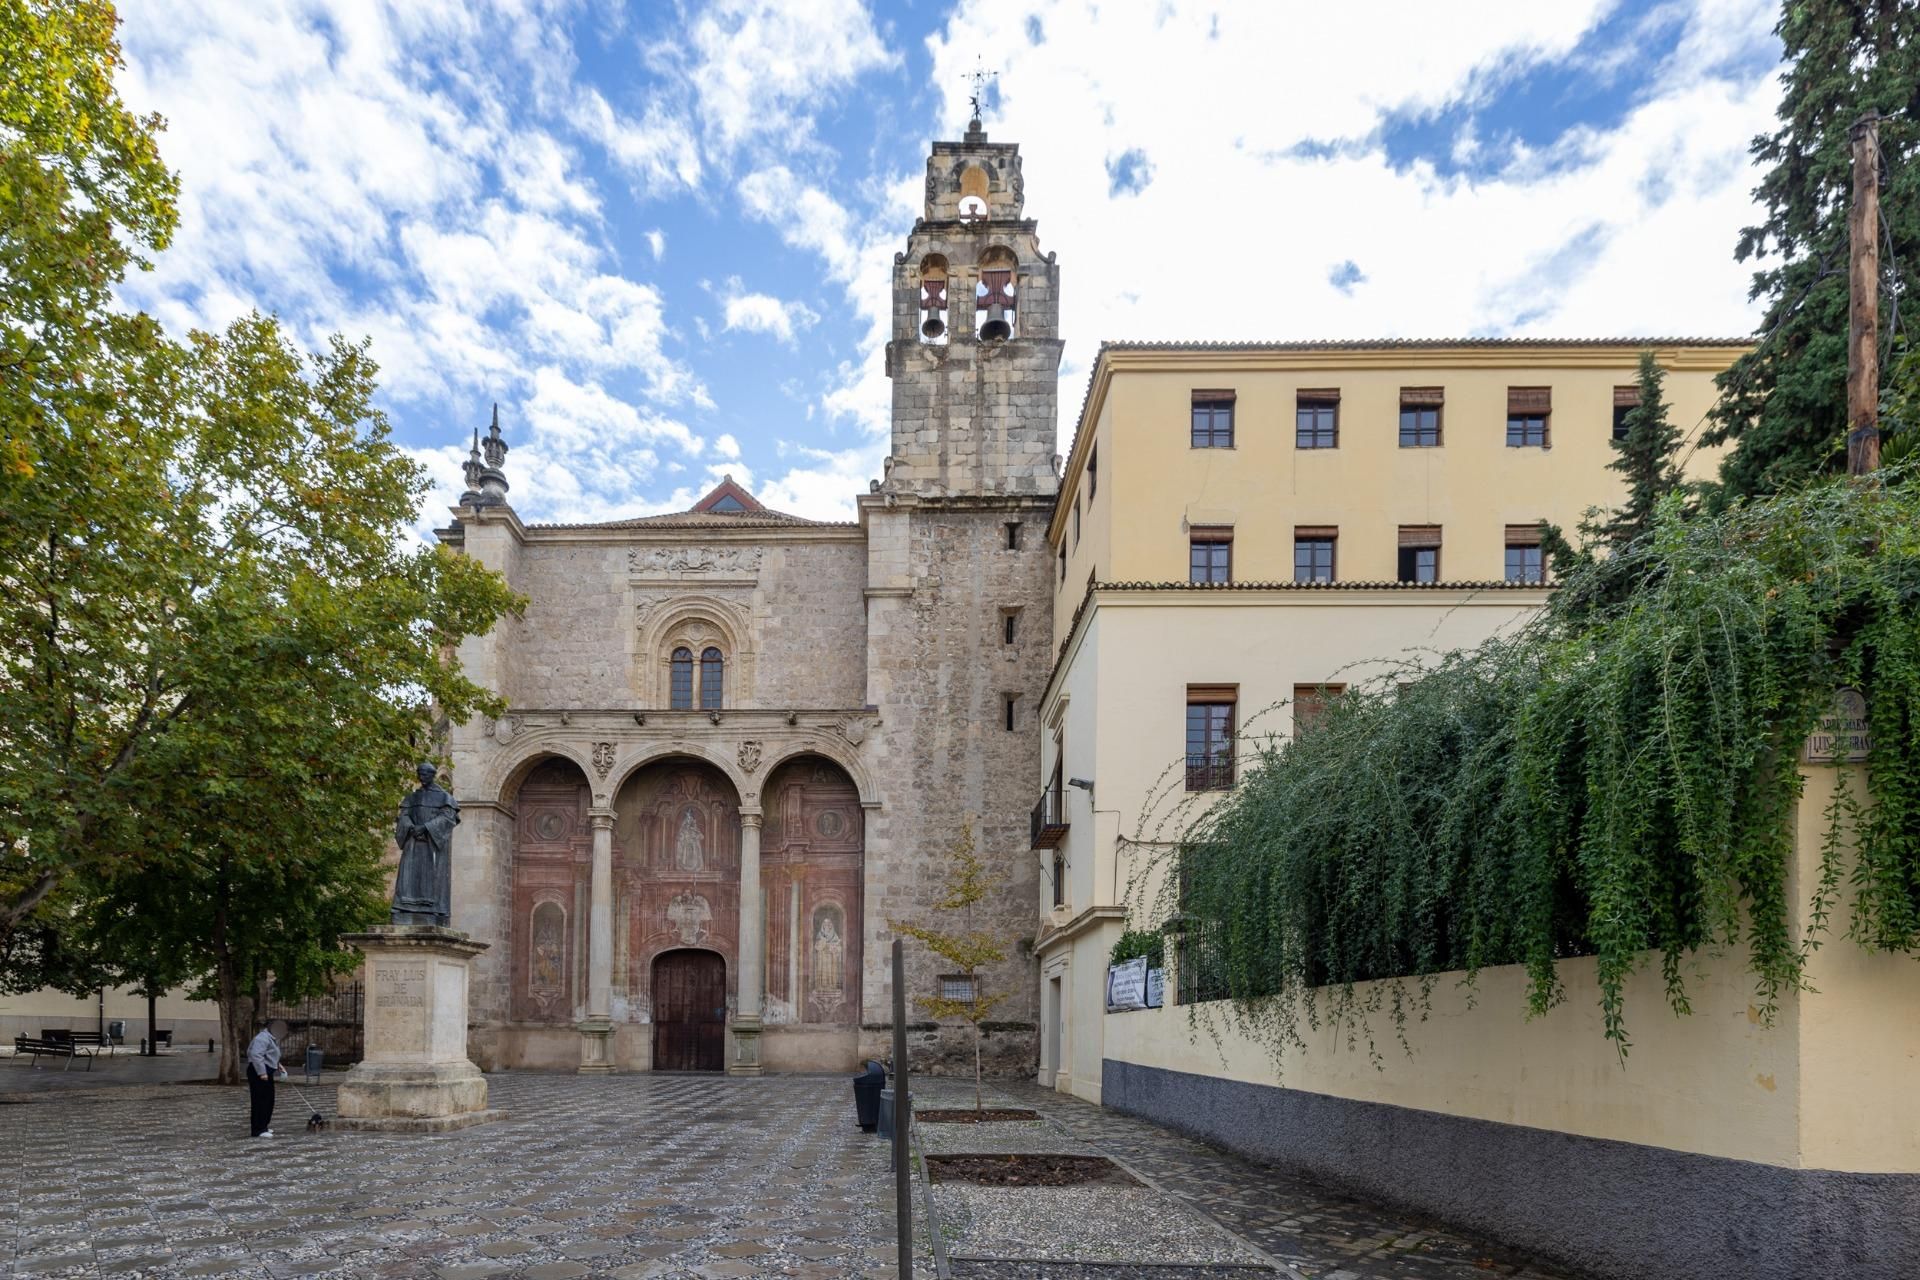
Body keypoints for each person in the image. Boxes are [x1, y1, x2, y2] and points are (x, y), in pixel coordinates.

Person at [246, 1018, 289, 1138]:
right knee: (260, 1101)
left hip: (267, 1071)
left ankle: (263, 1126)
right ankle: (257, 1130)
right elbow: (256, 1055)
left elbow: (270, 1055)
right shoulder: (262, 1038)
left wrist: (278, 1065)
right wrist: (262, 1073)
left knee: (269, 1100)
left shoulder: (273, 1039)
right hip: (258, 1072)